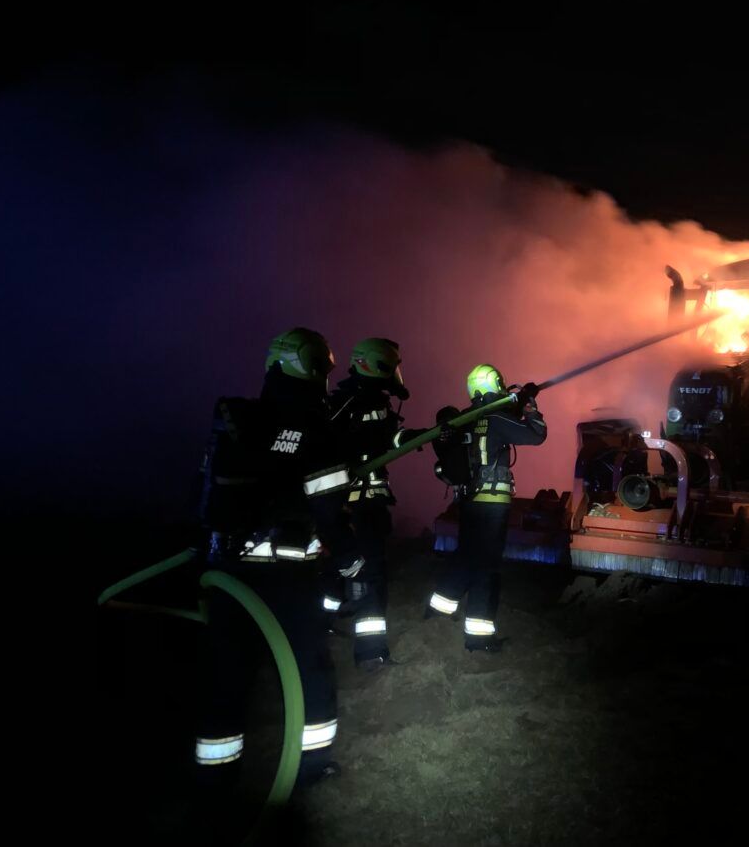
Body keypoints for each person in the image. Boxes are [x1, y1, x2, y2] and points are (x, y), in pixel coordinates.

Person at [194, 327, 351, 798]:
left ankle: (214, 781)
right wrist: (351, 560)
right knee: (311, 670)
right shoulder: (311, 425)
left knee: (227, 678)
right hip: (287, 577)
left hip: (227, 573)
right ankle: (312, 767)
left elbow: (206, 493)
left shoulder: (239, 419)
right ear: (305, 365)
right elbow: (328, 504)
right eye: (320, 365)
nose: (325, 375)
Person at [425, 364, 546, 651]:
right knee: (487, 566)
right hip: (492, 503)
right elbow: (536, 434)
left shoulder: (467, 419)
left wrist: (518, 402)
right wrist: (531, 407)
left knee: (467, 555)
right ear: (496, 385)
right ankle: (479, 638)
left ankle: (438, 610)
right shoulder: (496, 418)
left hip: (468, 501)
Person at [325, 337, 423, 670]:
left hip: (370, 506)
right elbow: (324, 444)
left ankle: (322, 624)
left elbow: (388, 438)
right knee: (369, 575)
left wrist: (411, 437)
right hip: (353, 507)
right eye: (390, 366)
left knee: (341, 573)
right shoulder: (344, 401)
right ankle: (370, 654)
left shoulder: (378, 402)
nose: (395, 373)